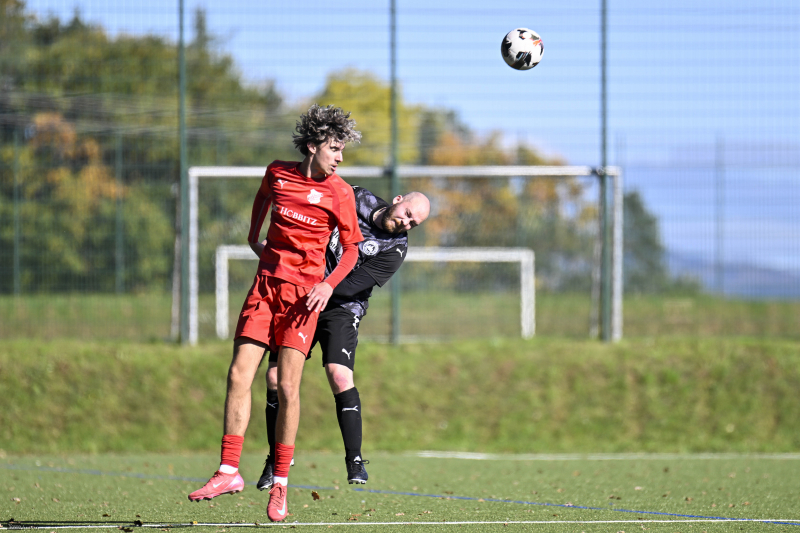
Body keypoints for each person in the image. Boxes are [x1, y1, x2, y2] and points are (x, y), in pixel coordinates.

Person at [187, 104, 364, 524]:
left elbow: (353, 249)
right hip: (264, 289)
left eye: (342, 150)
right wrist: (254, 238)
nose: (339, 157)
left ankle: (281, 482)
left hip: (304, 300)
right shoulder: (277, 173)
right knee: (237, 375)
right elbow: (262, 200)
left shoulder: (340, 192)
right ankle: (228, 471)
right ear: (311, 146)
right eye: (334, 148)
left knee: (286, 386)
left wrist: (327, 284)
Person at [256, 187, 430, 490]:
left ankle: (355, 459)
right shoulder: (356, 198)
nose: (406, 224)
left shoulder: (396, 248)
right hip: (303, 297)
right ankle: (276, 458)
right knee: (274, 378)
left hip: (340, 308)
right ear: (398, 200)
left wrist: (320, 287)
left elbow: (353, 286)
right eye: (407, 215)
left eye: (414, 224)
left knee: (339, 375)